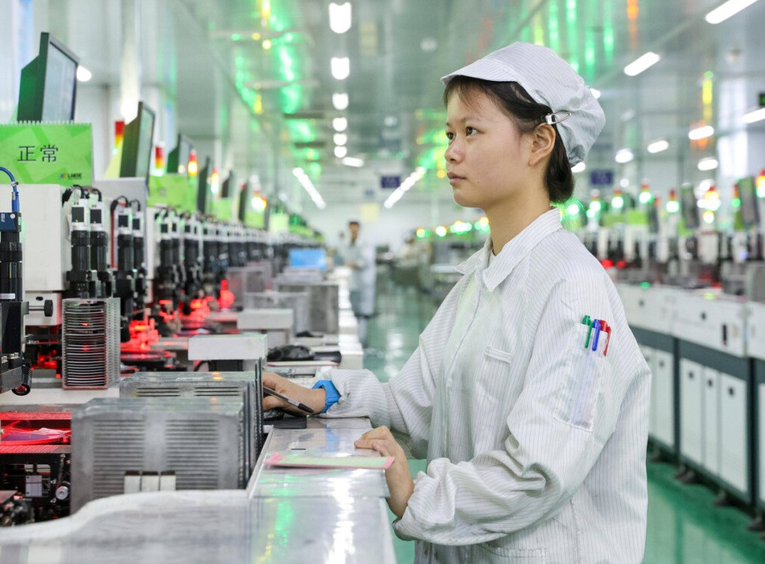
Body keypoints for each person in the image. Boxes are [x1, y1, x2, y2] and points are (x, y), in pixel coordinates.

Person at [263, 42, 650, 563]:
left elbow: (539, 471)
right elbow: (417, 407)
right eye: (450, 134)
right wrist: (327, 395)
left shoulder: (576, 294)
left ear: (539, 142)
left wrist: (419, 493)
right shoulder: (479, 280)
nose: (450, 151)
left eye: (472, 131)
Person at [342, 220, 376, 345]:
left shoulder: (365, 243)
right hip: (353, 281)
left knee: (363, 312)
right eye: (351, 228)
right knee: (354, 311)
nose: (353, 230)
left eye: (355, 228)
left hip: (364, 281)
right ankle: (355, 339)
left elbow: (365, 260)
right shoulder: (348, 243)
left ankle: (362, 340)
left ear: (359, 228)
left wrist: (352, 264)